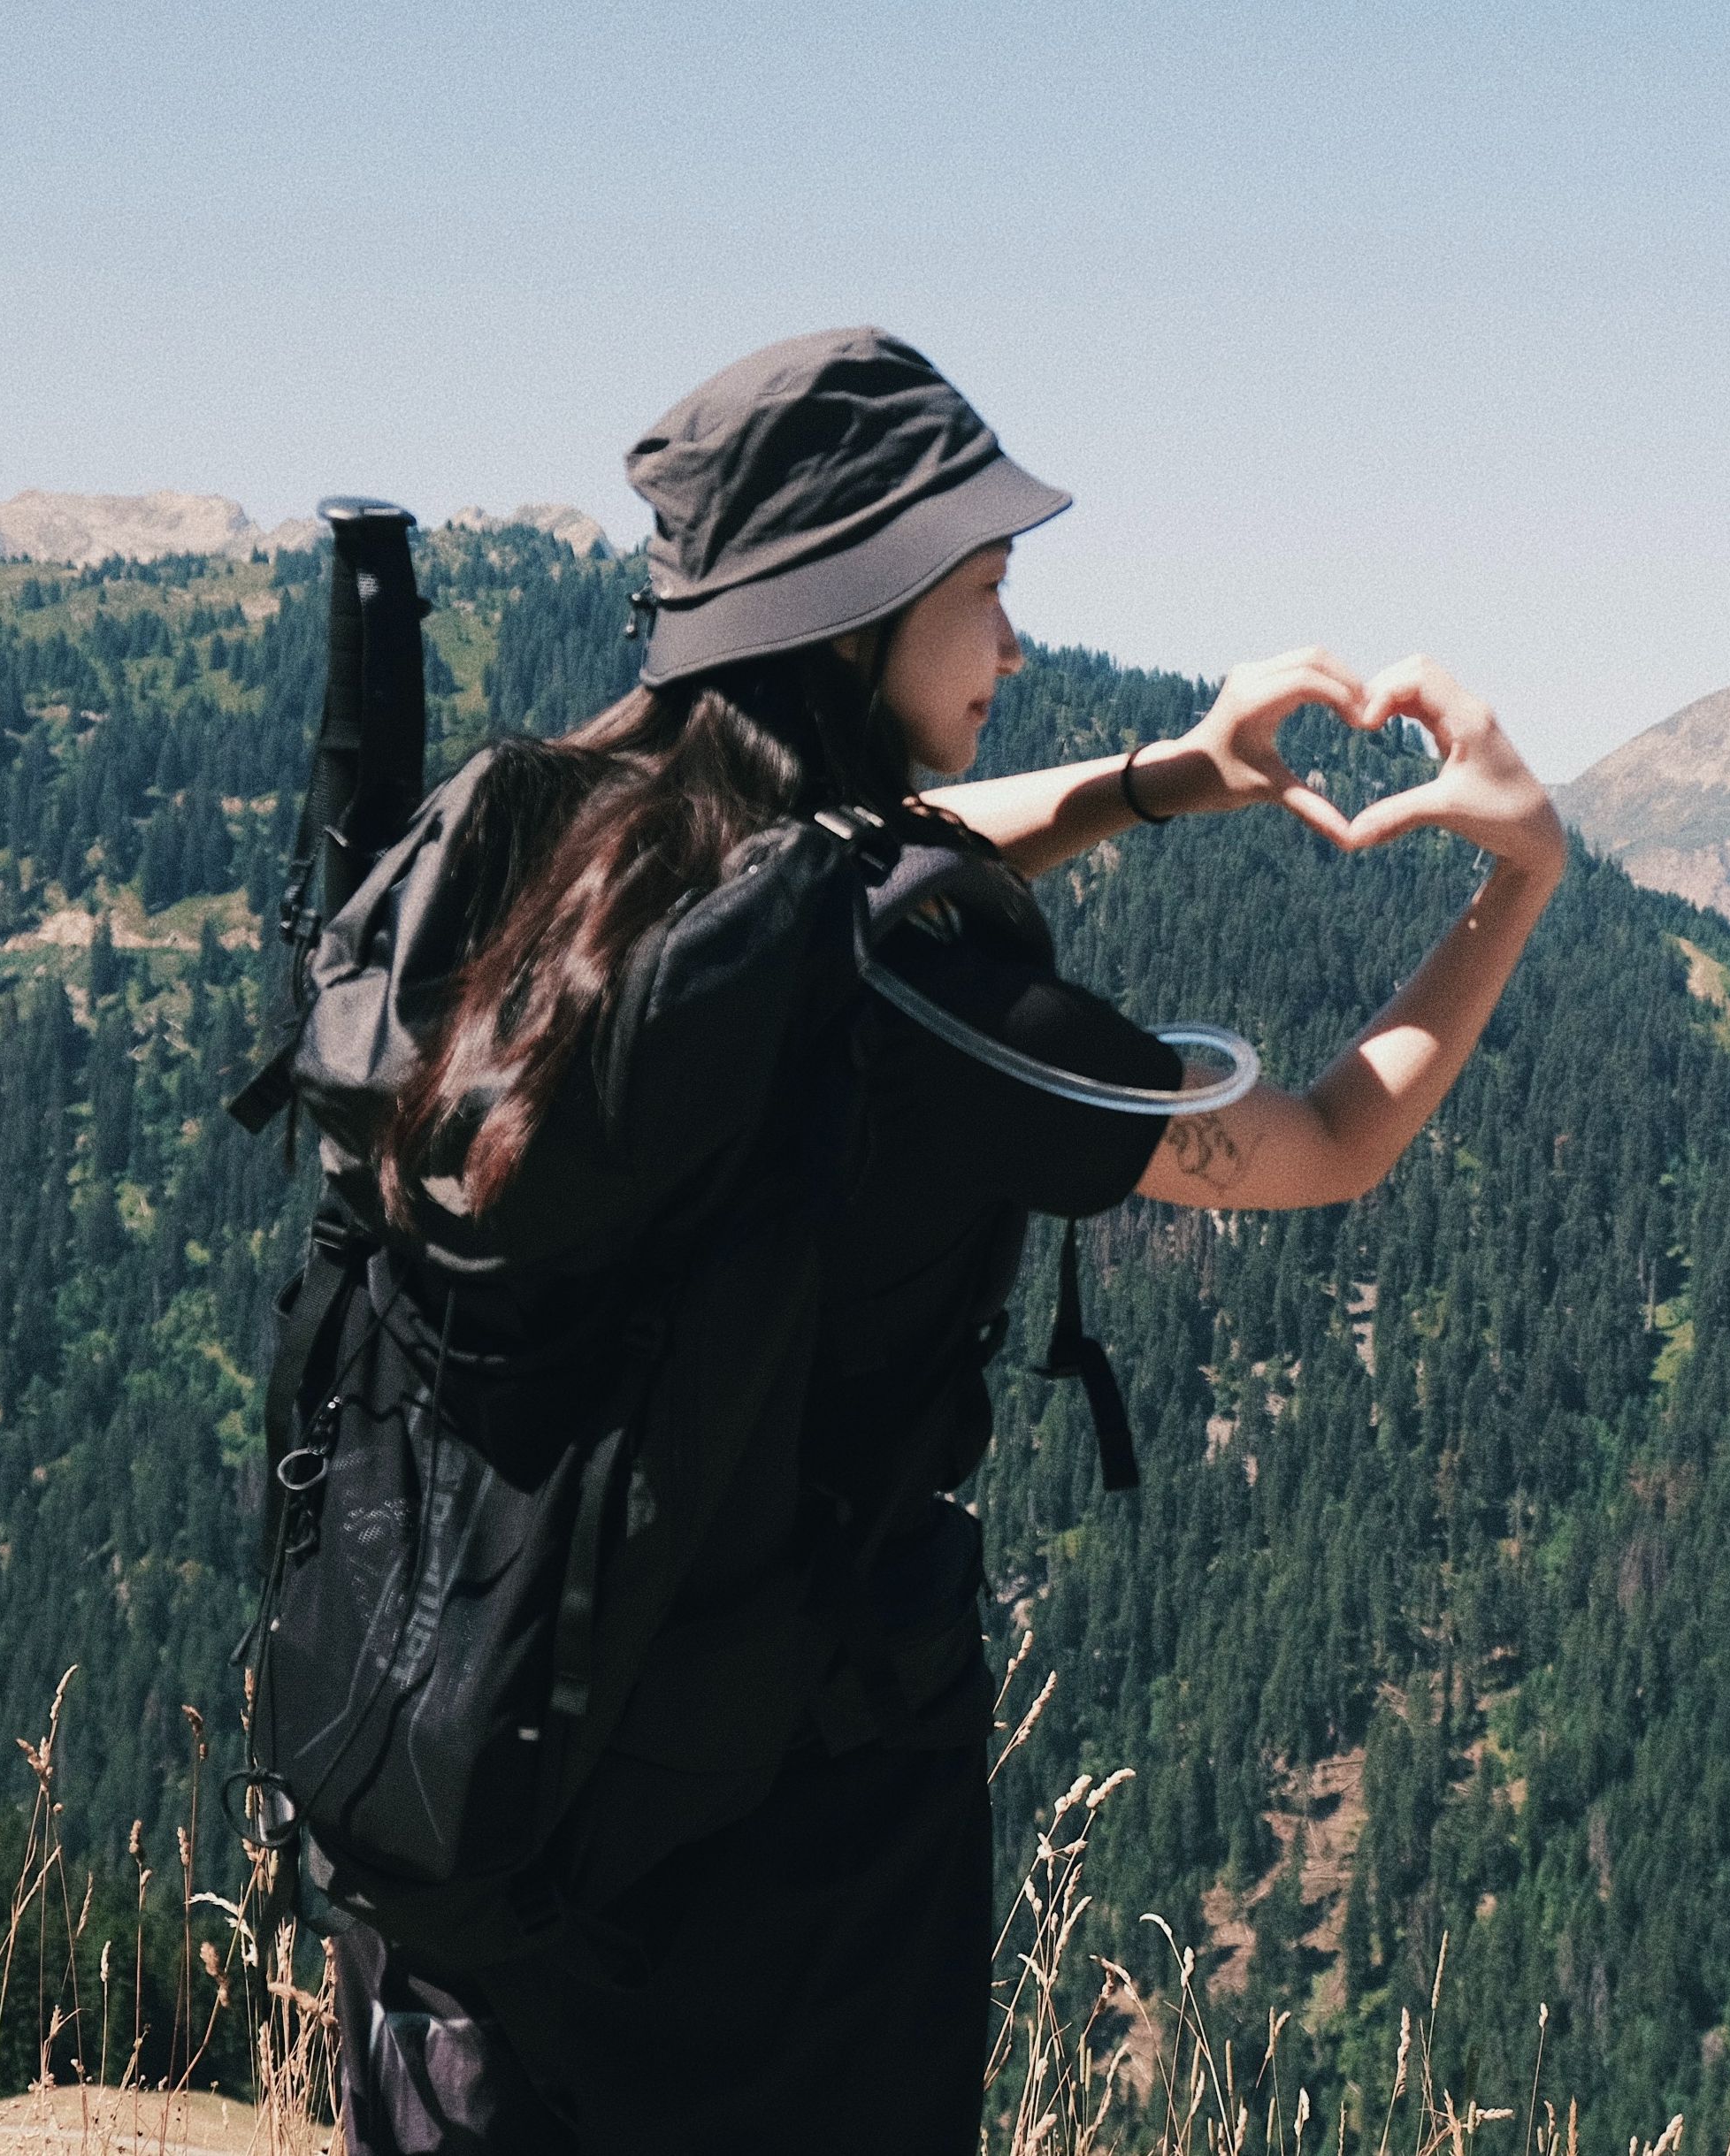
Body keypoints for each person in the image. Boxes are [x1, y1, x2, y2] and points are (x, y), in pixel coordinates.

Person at [326, 329, 1563, 2150]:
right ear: (850, 621)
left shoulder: (532, 845)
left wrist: (1152, 780)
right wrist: (1515, 880)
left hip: (472, 1793)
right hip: (781, 1877)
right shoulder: (918, 987)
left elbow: (844, 852)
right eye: (982, 592)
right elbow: (1316, 1141)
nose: (1014, 644)